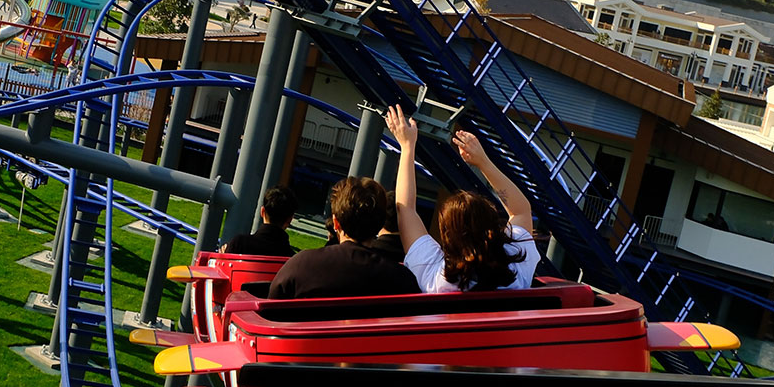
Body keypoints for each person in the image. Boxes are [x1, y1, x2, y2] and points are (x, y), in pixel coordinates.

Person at [385, 104, 540, 292]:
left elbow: (405, 210)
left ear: (448, 234)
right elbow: (521, 211)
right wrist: (483, 162)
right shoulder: (517, 267)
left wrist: (407, 146)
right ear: (492, 226)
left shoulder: (435, 277)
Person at [266, 177, 417, 300]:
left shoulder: (300, 265)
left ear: (336, 223)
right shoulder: (403, 281)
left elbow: (269, 314)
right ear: (380, 225)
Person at [223, 186, 296, 257]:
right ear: (290, 219)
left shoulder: (239, 245)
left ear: (262, 211)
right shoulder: (292, 259)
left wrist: (223, 257)